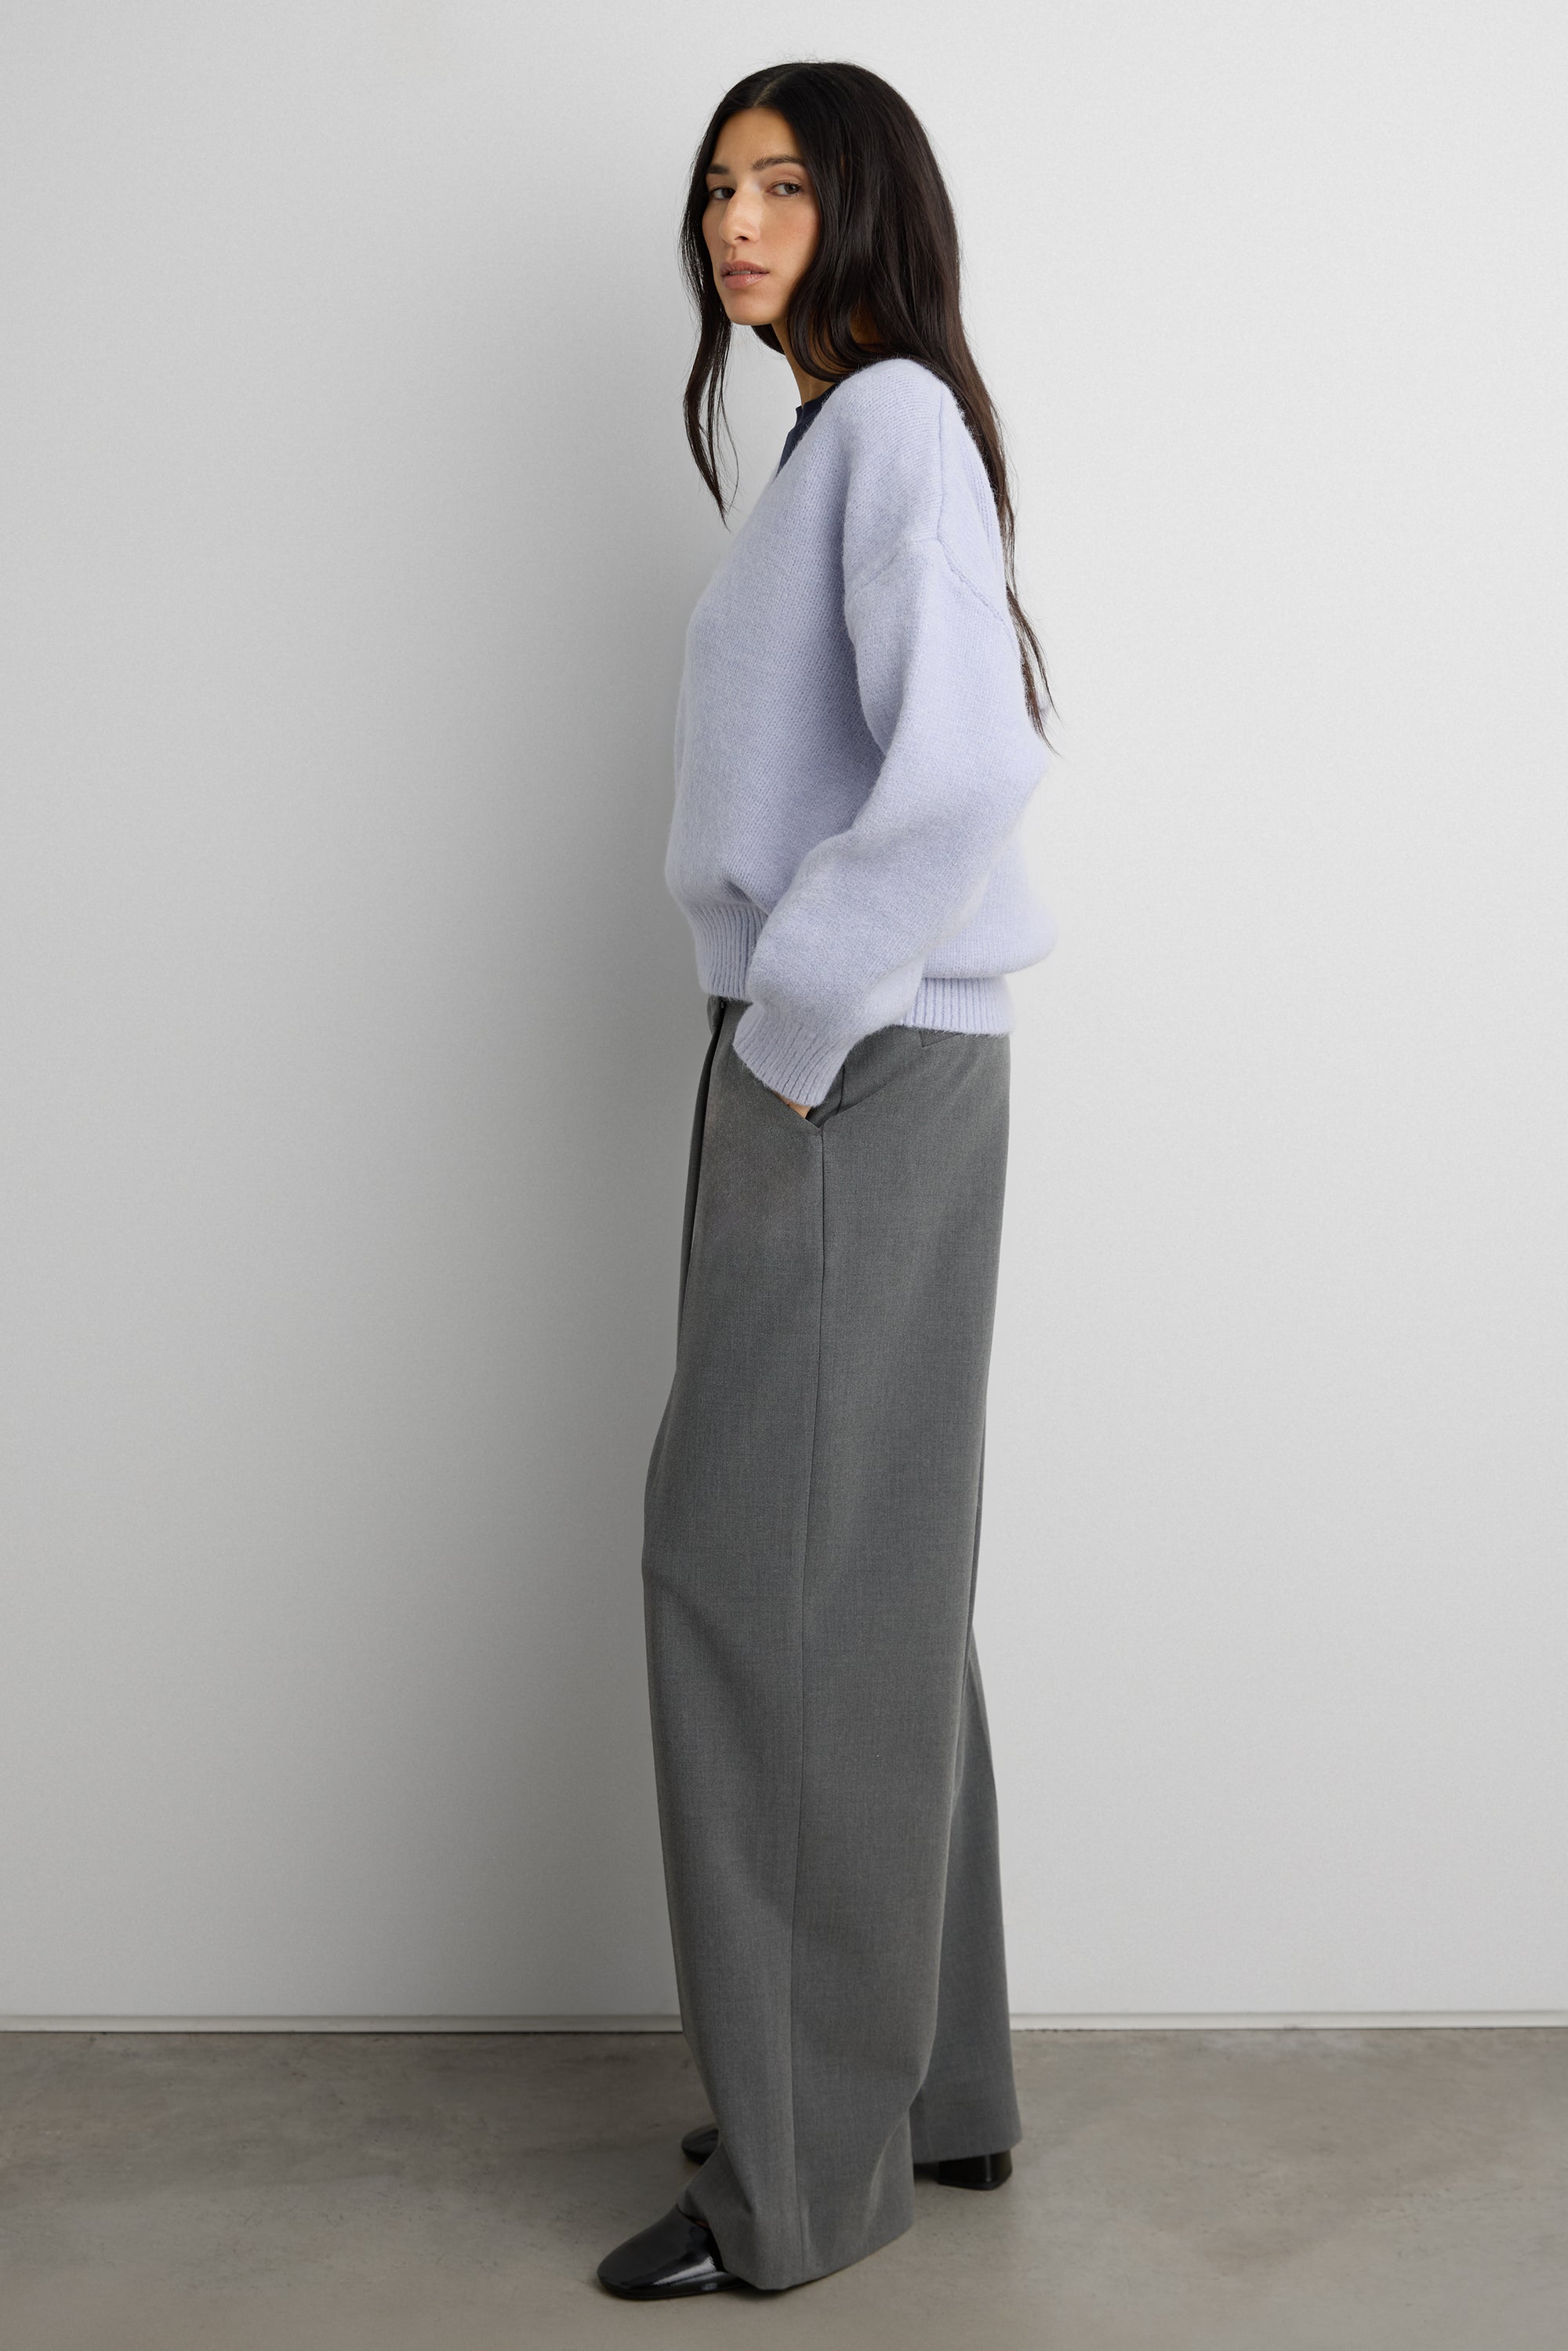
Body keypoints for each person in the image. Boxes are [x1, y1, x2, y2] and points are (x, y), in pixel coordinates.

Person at [597, 59, 1058, 2301]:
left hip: (846, 1061)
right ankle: (918, 2090)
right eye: (717, 186)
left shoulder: (880, 428)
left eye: (783, 181)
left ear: (867, 200)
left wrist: (786, 1032)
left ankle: (795, 2175)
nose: (738, 220)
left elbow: (969, 772)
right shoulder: (854, 433)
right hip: (872, 1052)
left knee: (758, 1586)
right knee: (866, 1579)